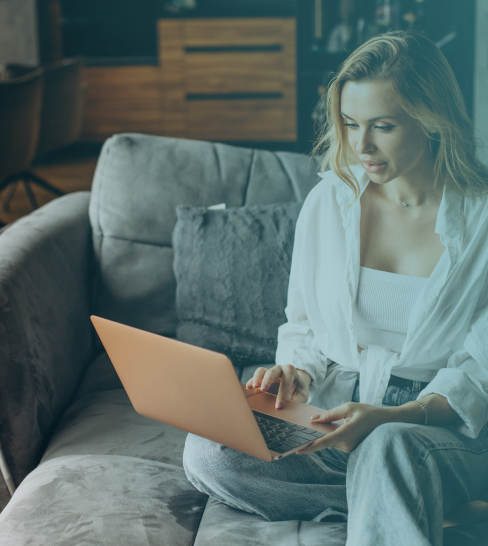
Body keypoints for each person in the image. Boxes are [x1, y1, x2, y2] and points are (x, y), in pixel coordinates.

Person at [183, 29, 488, 546]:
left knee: (386, 448)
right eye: (349, 124)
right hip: (339, 413)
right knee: (211, 452)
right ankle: (412, 504)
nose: (360, 145)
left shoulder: (480, 217)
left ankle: (400, 485)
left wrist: (394, 416)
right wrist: (296, 374)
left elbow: (481, 371)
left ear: (431, 121)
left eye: (383, 126)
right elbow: (303, 323)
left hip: (441, 426)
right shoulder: (330, 202)